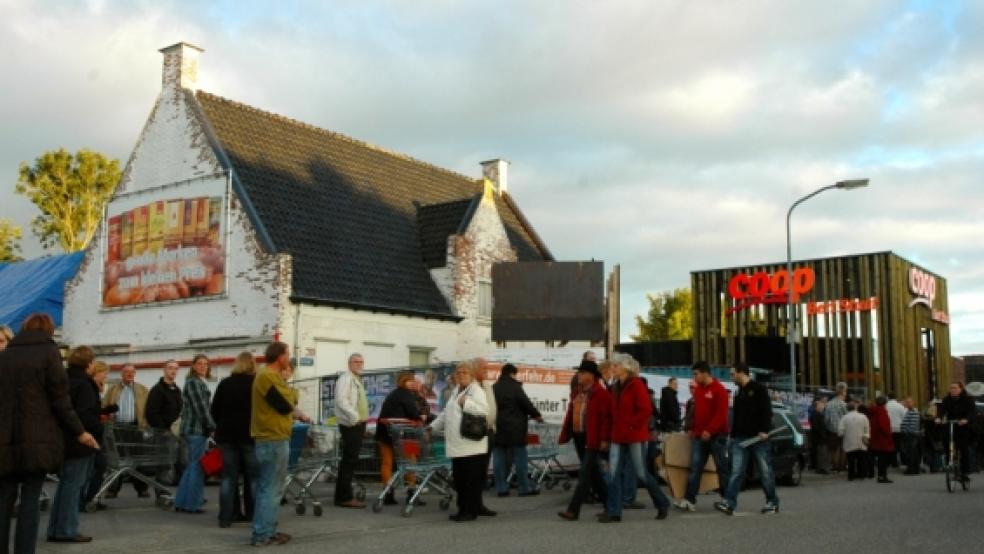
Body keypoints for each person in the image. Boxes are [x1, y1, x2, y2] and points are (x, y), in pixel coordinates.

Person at [1, 314, 97, 552]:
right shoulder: (49, 354)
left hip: (4, 440)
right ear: (49, 330)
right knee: (30, 500)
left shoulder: (5, 357)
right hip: (38, 440)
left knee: (4, 499)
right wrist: (80, 432)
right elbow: (60, 401)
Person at [599, 354, 671, 523]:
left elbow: (645, 410)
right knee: (613, 473)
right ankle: (614, 512)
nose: (613, 369)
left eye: (615, 366)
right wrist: (608, 435)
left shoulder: (636, 385)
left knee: (641, 474)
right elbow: (611, 414)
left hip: (634, 436)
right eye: (612, 366)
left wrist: (631, 426)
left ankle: (662, 503)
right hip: (617, 436)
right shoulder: (615, 386)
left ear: (625, 367)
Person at [251, 341, 307, 547]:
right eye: (287, 354)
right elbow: (286, 405)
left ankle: (268, 530)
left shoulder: (270, 376)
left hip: (273, 437)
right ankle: (263, 533)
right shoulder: (267, 376)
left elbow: (289, 400)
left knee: (271, 487)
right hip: (272, 437)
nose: (289, 358)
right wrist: (292, 393)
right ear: (280, 357)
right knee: (271, 488)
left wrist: (289, 392)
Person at [47, 345, 102, 543]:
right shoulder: (85, 384)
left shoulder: (63, 379)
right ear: (89, 363)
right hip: (81, 440)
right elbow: (86, 415)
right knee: (74, 486)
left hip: (64, 439)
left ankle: (56, 528)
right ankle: (67, 529)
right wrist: (99, 431)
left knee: (65, 486)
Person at [429, 361, 491, 522]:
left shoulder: (476, 390)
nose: (461, 375)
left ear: (471, 375)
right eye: (459, 373)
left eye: (465, 372)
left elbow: (484, 410)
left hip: (470, 444)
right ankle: (466, 508)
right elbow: (445, 413)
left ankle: (468, 512)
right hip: (458, 445)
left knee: (468, 480)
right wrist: (432, 427)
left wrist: (467, 403)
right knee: (461, 479)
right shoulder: (456, 390)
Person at [715, 362, 780, 515]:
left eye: (733, 374)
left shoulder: (759, 389)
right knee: (737, 471)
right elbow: (737, 417)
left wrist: (764, 430)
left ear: (741, 373)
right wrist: (733, 435)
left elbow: (767, 411)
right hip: (740, 438)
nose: (731, 377)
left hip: (758, 438)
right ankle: (729, 503)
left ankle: (772, 502)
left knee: (765, 471)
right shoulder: (738, 393)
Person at [557, 360, 612, 521]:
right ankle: (611, 506)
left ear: (592, 376)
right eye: (579, 372)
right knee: (594, 474)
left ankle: (573, 510)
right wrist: (566, 433)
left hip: (592, 438)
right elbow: (571, 413)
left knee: (585, 474)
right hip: (579, 437)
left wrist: (604, 439)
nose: (579, 375)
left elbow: (606, 420)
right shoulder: (577, 392)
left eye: (582, 373)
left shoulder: (601, 394)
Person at [211, 352, 259, 528]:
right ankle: (253, 515)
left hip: (227, 437)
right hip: (250, 436)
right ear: (253, 364)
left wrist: (222, 425)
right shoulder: (256, 384)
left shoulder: (225, 384)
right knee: (253, 478)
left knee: (228, 478)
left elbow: (214, 410)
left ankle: (225, 517)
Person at [675, 361, 729, 512]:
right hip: (699, 436)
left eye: (696, 374)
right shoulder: (698, 390)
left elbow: (721, 415)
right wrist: (692, 428)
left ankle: (727, 499)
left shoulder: (719, 390)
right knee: (695, 467)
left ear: (705, 373)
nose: (694, 377)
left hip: (717, 436)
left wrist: (710, 430)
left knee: (721, 468)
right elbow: (696, 413)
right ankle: (689, 500)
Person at [492, 363, 543, 497]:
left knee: (499, 457)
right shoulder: (515, 387)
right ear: (512, 374)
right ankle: (523, 488)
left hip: (498, 427)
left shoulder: (494, 388)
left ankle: (501, 489)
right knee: (520, 458)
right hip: (516, 428)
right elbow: (525, 403)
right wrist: (536, 415)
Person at [173, 354, 215, 513]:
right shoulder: (194, 383)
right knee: (197, 467)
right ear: (193, 366)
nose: (203, 366)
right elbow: (202, 410)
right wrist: (212, 427)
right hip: (196, 430)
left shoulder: (196, 382)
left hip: (193, 430)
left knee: (192, 466)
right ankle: (192, 504)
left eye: (206, 364)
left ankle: (181, 502)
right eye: (200, 364)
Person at [375, 370, 423, 506]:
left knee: (387, 463)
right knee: (411, 461)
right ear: (405, 381)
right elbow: (413, 413)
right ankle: (412, 493)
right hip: (404, 433)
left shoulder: (393, 394)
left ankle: (387, 493)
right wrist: (421, 419)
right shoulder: (406, 394)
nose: (413, 382)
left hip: (384, 432)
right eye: (411, 380)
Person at [102, 364, 151, 498]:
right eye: (126, 372)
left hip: (136, 428)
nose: (129, 374)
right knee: (115, 460)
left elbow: (149, 409)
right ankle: (113, 489)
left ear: (135, 374)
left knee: (138, 460)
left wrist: (146, 426)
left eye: (132, 372)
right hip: (117, 429)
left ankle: (142, 488)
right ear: (121, 374)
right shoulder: (113, 390)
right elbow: (104, 406)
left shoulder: (142, 390)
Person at [334, 353, 368, 509]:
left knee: (350, 460)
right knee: (349, 461)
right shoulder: (346, 379)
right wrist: (354, 417)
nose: (359, 364)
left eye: (361, 362)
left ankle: (342, 495)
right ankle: (344, 497)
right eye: (356, 362)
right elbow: (341, 400)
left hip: (357, 424)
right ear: (349, 364)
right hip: (351, 424)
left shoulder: (356, 379)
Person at [81, 361, 114, 511]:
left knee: (98, 467)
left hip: (94, 434)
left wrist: (105, 411)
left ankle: (92, 497)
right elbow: (89, 412)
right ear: (97, 373)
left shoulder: (97, 388)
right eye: (104, 373)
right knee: (98, 466)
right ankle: (89, 498)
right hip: (92, 435)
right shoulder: (89, 388)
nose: (106, 376)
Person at [145, 360, 184, 488]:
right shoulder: (157, 390)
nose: (173, 371)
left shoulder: (177, 390)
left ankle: (179, 496)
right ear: (164, 370)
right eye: (170, 368)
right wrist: (164, 430)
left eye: (176, 369)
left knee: (178, 464)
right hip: (163, 434)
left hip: (176, 433)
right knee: (163, 466)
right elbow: (151, 413)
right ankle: (161, 493)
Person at [935, 382, 976, 482]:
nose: (953, 390)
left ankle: (965, 471)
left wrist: (966, 420)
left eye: (955, 388)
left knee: (963, 447)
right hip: (951, 425)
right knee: (946, 441)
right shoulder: (946, 400)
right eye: (951, 388)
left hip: (963, 426)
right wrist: (939, 418)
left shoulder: (968, 400)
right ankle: (950, 461)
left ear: (961, 389)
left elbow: (972, 412)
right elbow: (941, 411)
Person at [838, 402, 870, 481]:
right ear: (855, 408)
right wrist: (866, 437)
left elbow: (840, 432)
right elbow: (867, 429)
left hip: (849, 442)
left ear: (847, 409)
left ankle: (851, 475)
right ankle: (861, 474)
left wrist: (843, 434)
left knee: (851, 460)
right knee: (861, 459)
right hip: (861, 442)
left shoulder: (844, 418)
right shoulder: (863, 417)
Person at [867, 396, 894, 483]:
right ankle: (883, 476)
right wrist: (888, 434)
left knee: (879, 458)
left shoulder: (873, 411)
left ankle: (880, 475)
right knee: (883, 459)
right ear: (885, 403)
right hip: (882, 439)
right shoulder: (882, 411)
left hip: (875, 437)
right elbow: (884, 425)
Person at [824, 382, 849, 472]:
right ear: (842, 391)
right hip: (843, 430)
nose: (846, 393)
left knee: (834, 449)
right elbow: (847, 417)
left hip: (832, 430)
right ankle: (842, 466)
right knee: (843, 448)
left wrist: (829, 427)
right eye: (845, 391)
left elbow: (826, 419)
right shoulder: (844, 404)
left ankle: (834, 466)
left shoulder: (829, 404)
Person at [900, 397, 922, 475]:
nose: (907, 404)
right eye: (907, 402)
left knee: (911, 453)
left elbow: (912, 425)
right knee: (912, 453)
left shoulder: (913, 412)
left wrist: (905, 431)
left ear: (913, 403)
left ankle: (911, 469)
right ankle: (913, 469)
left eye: (909, 402)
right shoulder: (908, 411)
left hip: (911, 435)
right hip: (910, 434)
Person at [809, 397, 830, 474]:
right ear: (817, 406)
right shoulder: (816, 415)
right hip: (819, 437)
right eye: (821, 406)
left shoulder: (817, 414)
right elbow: (816, 426)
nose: (823, 407)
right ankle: (821, 468)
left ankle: (820, 468)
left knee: (821, 453)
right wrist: (823, 435)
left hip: (819, 437)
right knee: (821, 453)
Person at [885, 393, 906, 468]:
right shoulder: (900, 406)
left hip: (889, 429)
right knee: (900, 446)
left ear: (888, 397)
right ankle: (903, 461)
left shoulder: (885, 406)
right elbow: (904, 417)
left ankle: (891, 462)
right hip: (899, 429)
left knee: (890, 446)